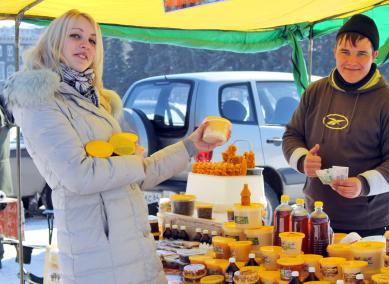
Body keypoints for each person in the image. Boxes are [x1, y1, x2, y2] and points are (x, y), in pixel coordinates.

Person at [2, 9, 225, 284]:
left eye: (93, 40)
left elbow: (134, 175)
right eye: (75, 36)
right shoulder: (40, 101)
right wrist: (134, 162)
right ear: (54, 42)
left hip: (133, 247)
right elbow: (79, 175)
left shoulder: (95, 101)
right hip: (99, 255)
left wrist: (191, 145)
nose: (86, 45)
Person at [283, 14, 389, 237]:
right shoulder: (315, 92)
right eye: (345, 52)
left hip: (370, 224)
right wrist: (303, 160)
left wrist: (363, 184)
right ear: (335, 51)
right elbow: (291, 136)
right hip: (316, 217)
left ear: (374, 56)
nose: (351, 61)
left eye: (361, 54)